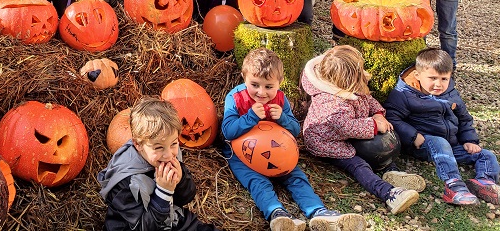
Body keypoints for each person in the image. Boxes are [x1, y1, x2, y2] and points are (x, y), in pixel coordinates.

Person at [222, 48, 366, 231]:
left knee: (297, 177)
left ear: (279, 83)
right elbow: (227, 131)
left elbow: (295, 129)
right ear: (244, 78)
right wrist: (250, 117)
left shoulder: (281, 100)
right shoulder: (235, 98)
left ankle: (318, 212)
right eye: (255, 84)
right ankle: (277, 214)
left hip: (277, 151)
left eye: (268, 86)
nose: (261, 92)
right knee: (258, 182)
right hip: (244, 156)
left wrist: (282, 118)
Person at [301, 45, 424, 215]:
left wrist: (379, 115)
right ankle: (388, 193)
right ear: (349, 79)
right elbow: (346, 127)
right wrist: (374, 125)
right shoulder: (331, 103)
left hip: (348, 133)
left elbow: (368, 99)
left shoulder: (346, 85)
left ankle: (392, 172)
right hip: (327, 141)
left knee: (377, 151)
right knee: (358, 164)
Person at [384, 48, 499, 206]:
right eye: (432, 78)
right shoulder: (404, 94)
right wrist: (412, 135)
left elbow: (464, 118)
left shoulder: (451, 93)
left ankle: (484, 182)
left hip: (451, 146)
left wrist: (469, 139)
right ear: (417, 76)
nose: (438, 84)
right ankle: (453, 185)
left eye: (444, 79)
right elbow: (392, 117)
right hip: (425, 144)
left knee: (486, 155)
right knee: (440, 143)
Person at [97, 96, 222, 231]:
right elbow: (143, 227)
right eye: (158, 147)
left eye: (174, 143)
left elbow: (185, 198)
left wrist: (181, 180)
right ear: (138, 144)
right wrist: (164, 192)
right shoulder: (124, 182)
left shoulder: (167, 154)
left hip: (170, 217)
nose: (168, 154)